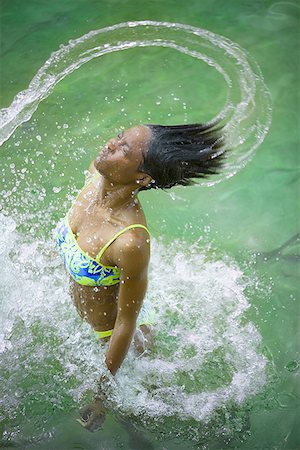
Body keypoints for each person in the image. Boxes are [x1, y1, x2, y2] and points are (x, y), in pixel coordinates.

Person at [54, 121, 225, 431]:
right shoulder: (95, 176)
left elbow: (125, 325)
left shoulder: (129, 240)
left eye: (124, 149)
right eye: (119, 136)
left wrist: (100, 396)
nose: (109, 144)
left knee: (131, 419)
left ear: (142, 177)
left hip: (118, 343)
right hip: (93, 322)